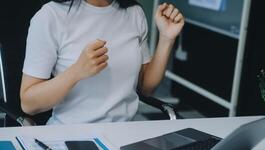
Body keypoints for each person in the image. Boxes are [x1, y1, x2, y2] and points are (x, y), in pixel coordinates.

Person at [20, 0, 184, 125]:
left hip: (125, 135)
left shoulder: (134, 12)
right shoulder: (50, 16)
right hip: (69, 134)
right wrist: (76, 72)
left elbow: (146, 88)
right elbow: (28, 104)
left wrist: (166, 38)